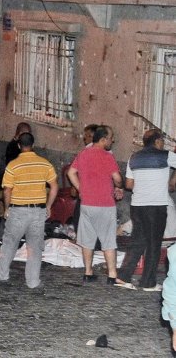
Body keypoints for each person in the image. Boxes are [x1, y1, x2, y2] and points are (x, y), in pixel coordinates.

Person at [113, 129, 176, 291]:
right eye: (162, 140)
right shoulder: (165, 156)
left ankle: (123, 277)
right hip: (156, 206)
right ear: (157, 142)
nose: (163, 144)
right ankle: (148, 282)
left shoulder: (133, 157)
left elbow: (128, 185)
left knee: (137, 242)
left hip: (137, 206)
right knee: (154, 244)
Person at [0, 132, 58, 289]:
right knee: (35, 247)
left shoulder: (13, 165)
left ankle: (2, 274)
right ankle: (33, 281)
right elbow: (54, 186)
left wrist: (7, 208)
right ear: (33, 145)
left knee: (9, 243)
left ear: (18, 146)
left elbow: (7, 190)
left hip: (18, 211)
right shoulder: (45, 164)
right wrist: (48, 206)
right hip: (38, 211)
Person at [66, 125, 124, 284]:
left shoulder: (83, 154)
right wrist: (119, 185)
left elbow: (70, 173)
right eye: (111, 137)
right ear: (103, 139)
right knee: (108, 240)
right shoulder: (107, 156)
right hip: (105, 204)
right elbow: (117, 178)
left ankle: (88, 272)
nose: (113, 140)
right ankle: (112, 275)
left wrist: (80, 188)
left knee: (87, 239)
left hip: (87, 203)